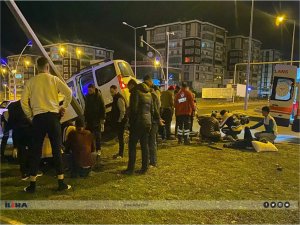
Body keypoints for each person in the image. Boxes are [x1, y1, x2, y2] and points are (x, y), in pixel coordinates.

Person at [21, 56, 72, 193]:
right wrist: (64, 107)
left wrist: (30, 115)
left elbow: (23, 101)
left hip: (38, 118)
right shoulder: (54, 80)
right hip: (53, 117)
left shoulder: (31, 82)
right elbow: (69, 92)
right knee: (57, 149)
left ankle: (32, 184)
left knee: (36, 150)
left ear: (37, 67)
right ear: (47, 66)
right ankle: (61, 182)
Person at [122, 79, 153, 175]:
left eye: (128, 87)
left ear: (132, 85)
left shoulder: (135, 93)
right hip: (147, 122)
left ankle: (130, 169)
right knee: (144, 145)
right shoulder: (149, 94)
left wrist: (130, 123)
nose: (128, 89)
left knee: (132, 146)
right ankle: (145, 167)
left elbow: (134, 110)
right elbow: (151, 109)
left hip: (138, 123)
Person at [6, 100, 33, 180]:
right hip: (28, 130)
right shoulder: (29, 104)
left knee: (21, 150)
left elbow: (10, 120)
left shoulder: (12, 105)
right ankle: (29, 170)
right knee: (30, 150)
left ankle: (23, 171)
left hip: (17, 131)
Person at [144, 75, 163, 167]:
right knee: (149, 141)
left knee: (151, 141)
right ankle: (149, 160)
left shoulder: (153, 95)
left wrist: (158, 118)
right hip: (150, 120)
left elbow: (156, 108)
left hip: (153, 121)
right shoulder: (152, 94)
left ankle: (153, 161)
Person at [84, 83, 105, 155]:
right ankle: (92, 149)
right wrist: (85, 118)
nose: (89, 91)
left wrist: (102, 117)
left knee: (97, 135)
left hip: (96, 118)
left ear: (93, 89)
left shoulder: (98, 96)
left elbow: (102, 107)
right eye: (88, 90)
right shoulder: (87, 97)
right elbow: (86, 108)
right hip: (90, 119)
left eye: (90, 90)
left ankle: (98, 149)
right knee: (89, 135)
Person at [110, 85, 127, 159]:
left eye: (112, 91)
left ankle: (121, 153)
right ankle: (120, 153)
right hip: (119, 121)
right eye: (110, 92)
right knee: (120, 137)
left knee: (121, 138)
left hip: (121, 121)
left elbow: (122, 111)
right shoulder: (116, 98)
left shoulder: (119, 98)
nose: (111, 93)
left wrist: (120, 120)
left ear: (116, 90)